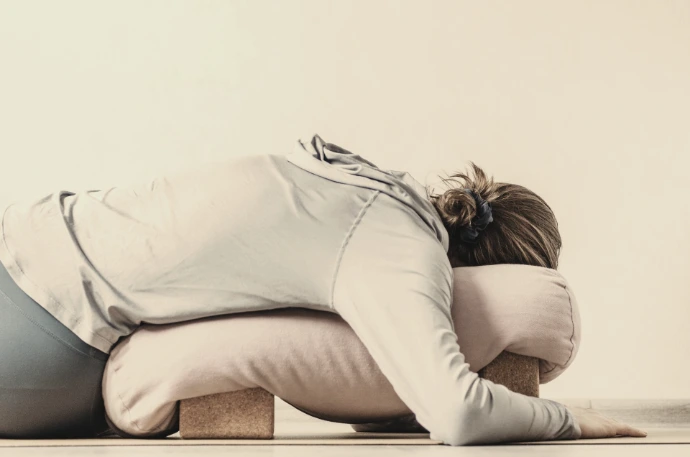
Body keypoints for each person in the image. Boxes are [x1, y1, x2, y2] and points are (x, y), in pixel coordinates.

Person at [0, 133, 646, 444]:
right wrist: (570, 420)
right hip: (43, 325)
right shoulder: (397, 250)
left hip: (31, 258)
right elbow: (459, 413)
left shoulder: (353, 177)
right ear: (485, 271)